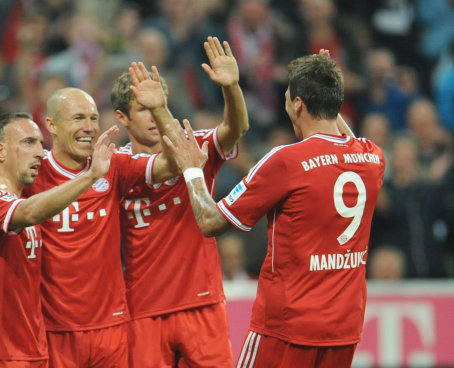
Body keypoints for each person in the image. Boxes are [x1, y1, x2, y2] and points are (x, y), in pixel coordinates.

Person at [163, 53, 385, 367]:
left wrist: (192, 171)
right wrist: (325, 83)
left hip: (286, 326)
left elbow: (210, 221)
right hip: (344, 327)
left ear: (297, 105)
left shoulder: (286, 162)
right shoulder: (372, 157)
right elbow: (343, 140)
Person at [0, 89, 177, 368]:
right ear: (53, 125)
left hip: (95, 332)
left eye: (93, 118)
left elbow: (174, 163)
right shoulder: (28, 177)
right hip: (43, 335)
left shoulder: (110, 165)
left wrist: (161, 111)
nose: (88, 126)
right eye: (78, 118)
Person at [110, 36, 248, 367]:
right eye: (143, 109)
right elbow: (176, 161)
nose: (153, 116)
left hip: (202, 304)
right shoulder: (117, 165)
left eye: (158, 104)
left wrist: (231, 89)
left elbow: (236, 128)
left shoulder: (196, 142)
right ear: (122, 118)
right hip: (144, 308)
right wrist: (161, 107)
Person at [0, 111, 117, 368]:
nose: (40, 151)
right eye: (28, 142)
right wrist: (90, 177)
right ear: (1, 151)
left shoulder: (23, 197)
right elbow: (28, 213)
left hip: (32, 351)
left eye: (41, 142)